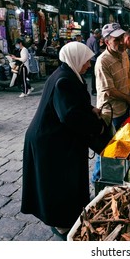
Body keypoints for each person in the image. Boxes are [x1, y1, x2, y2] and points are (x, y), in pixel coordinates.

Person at [21, 42, 107, 239]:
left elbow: (73, 105)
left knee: (64, 179)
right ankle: (60, 222)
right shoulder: (64, 79)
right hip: (49, 142)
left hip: (56, 137)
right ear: (75, 59)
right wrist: (97, 127)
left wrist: (90, 110)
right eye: (86, 61)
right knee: (57, 183)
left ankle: (69, 215)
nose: (87, 65)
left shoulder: (67, 73)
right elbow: (69, 115)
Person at [92, 23, 130, 183]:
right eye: (117, 40)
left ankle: (117, 175)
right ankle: (97, 181)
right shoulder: (102, 61)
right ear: (106, 41)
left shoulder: (123, 54)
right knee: (107, 148)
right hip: (110, 112)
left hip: (123, 109)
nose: (122, 42)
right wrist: (129, 99)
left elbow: (123, 74)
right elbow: (109, 90)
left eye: (122, 38)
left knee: (122, 145)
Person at [86, 28, 102, 95]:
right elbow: (96, 52)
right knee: (95, 75)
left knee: (93, 75)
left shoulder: (89, 39)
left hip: (90, 58)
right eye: (100, 34)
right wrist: (101, 52)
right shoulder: (95, 40)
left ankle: (93, 90)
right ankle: (94, 90)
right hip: (94, 59)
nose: (100, 35)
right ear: (97, 33)